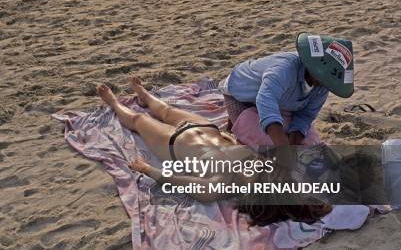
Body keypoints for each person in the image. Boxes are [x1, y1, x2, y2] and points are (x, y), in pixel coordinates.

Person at [96, 76, 330, 226]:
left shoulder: (222, 185)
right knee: (166, 110)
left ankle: (114, 103)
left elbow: (184, 183)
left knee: (137, 120)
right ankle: (144, 95)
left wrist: (148, 169)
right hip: (206, 129)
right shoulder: (266, 167)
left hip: (174, 143)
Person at [220, 33, 354, 146]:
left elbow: (306, 115)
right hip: (241, 96)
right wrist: (283, 149)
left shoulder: (322, 87)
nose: (325, 82)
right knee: (267, 145)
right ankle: (236, 123)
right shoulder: (285, 68)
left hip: (282, 103)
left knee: (311, 142)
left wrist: (293, 143)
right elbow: (266, 101)